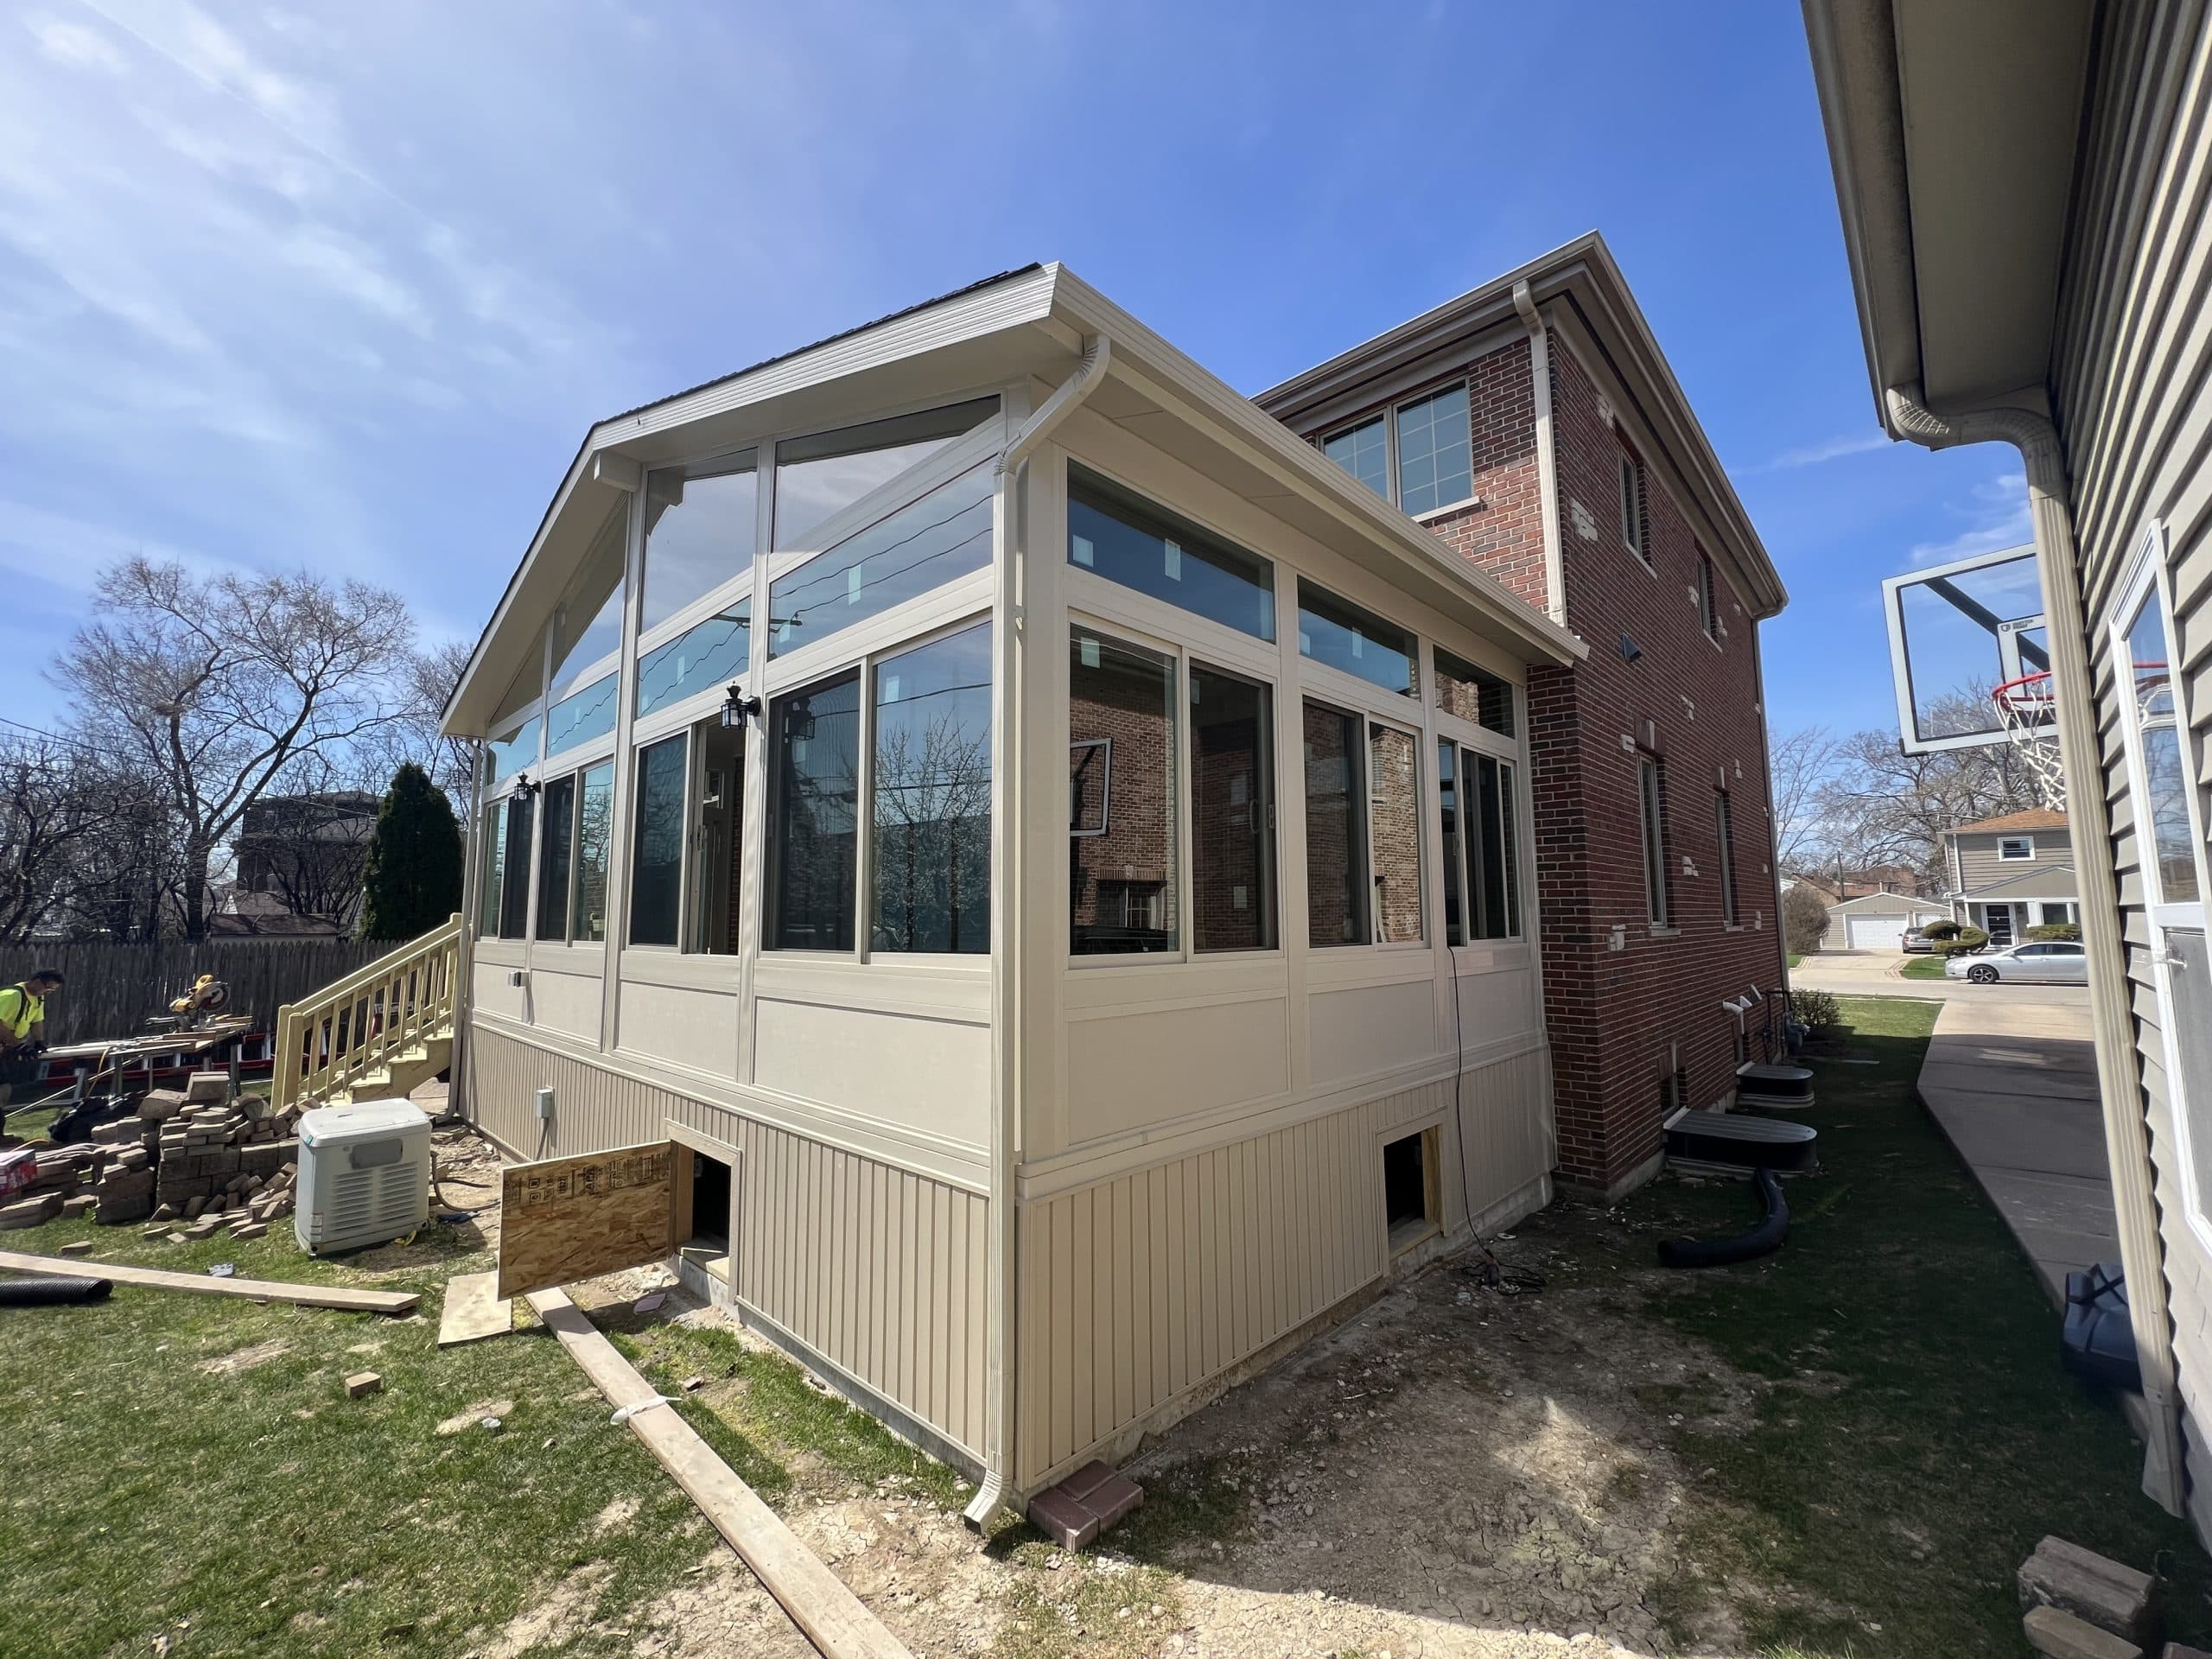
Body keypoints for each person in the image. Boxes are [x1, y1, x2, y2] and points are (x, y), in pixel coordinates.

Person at [0, 969, 64, 1118]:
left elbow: (37, 1021)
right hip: (6, 1043)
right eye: (48, 988)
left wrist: (39, 1041)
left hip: (6, 1047)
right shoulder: (13, 996)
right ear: (38, 981)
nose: (48, 992)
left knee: (3, 1084)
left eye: (52, 990)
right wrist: (18, 1045)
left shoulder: (38, 998)